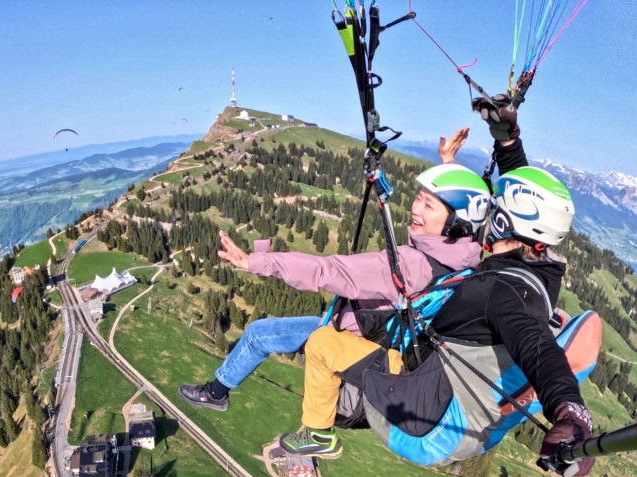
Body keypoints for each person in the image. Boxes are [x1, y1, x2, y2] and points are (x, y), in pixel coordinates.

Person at [278, 162, 596, 477]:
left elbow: (537, 347)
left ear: (501, 220)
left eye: (492, 209)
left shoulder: (502, 292)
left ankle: (315, 435)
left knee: (322, 343)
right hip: (468, 420)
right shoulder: (539, 275)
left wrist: (570, 411)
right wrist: (508, 140)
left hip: (425, 423)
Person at [178, 127, 493, 413]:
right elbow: (471, 213)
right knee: (269, 336)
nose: (415, 208)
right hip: (379, 340)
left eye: (429, 205)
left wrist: (256, 262)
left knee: (260, 334)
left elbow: (326, 271)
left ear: (453, 222)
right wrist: (448, 163)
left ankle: (217, 393)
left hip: (353, 336)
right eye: (419, 199)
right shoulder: (465, 255)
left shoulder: (411, 265)